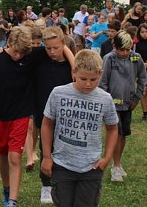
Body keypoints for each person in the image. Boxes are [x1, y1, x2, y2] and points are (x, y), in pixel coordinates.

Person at [0, 26, 71, 207]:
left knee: (15, 157)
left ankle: (12, 200)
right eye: (16, 52)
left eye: (22, 53)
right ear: (8, 43)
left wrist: (74, 66)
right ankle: (6, 189)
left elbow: (60, 44)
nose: (19, 56)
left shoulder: (31, 55)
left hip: (21, 114)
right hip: (0, 115)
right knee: (2, 154)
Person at [40, 50, 119, 207]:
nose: (88, 84)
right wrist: (47, 157)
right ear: (73, 71)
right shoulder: (58, 93)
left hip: (91, 167)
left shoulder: (105, 99)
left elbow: (112, 128)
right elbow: (47, 124)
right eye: (83, 79)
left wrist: (107, 157)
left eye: (93, 79)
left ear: (100, 74)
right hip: (62, 164)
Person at [31, 27, 74, 204]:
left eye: (56, 47)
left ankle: (65, 183)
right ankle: (46, 185)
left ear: (63, 44)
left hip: (67, 115)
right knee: (46, 148)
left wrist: (72, 63)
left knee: (66, 149)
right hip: (44, 112)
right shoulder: (40, 56)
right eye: (48, 48)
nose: (52, 52)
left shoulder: (71, 67)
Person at [98, 31, 147, 182]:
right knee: (115, 133)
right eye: (122, 50)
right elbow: (103, 82)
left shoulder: (135, 58)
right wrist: (107, 101)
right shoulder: (109, 59)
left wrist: (137, 97)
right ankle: (115, 166)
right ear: (115, 47)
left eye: (128, 49)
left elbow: (142, 78)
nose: (125, 53)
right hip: (112, 104)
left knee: (123, 133)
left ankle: (117, 163)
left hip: (128, 104)